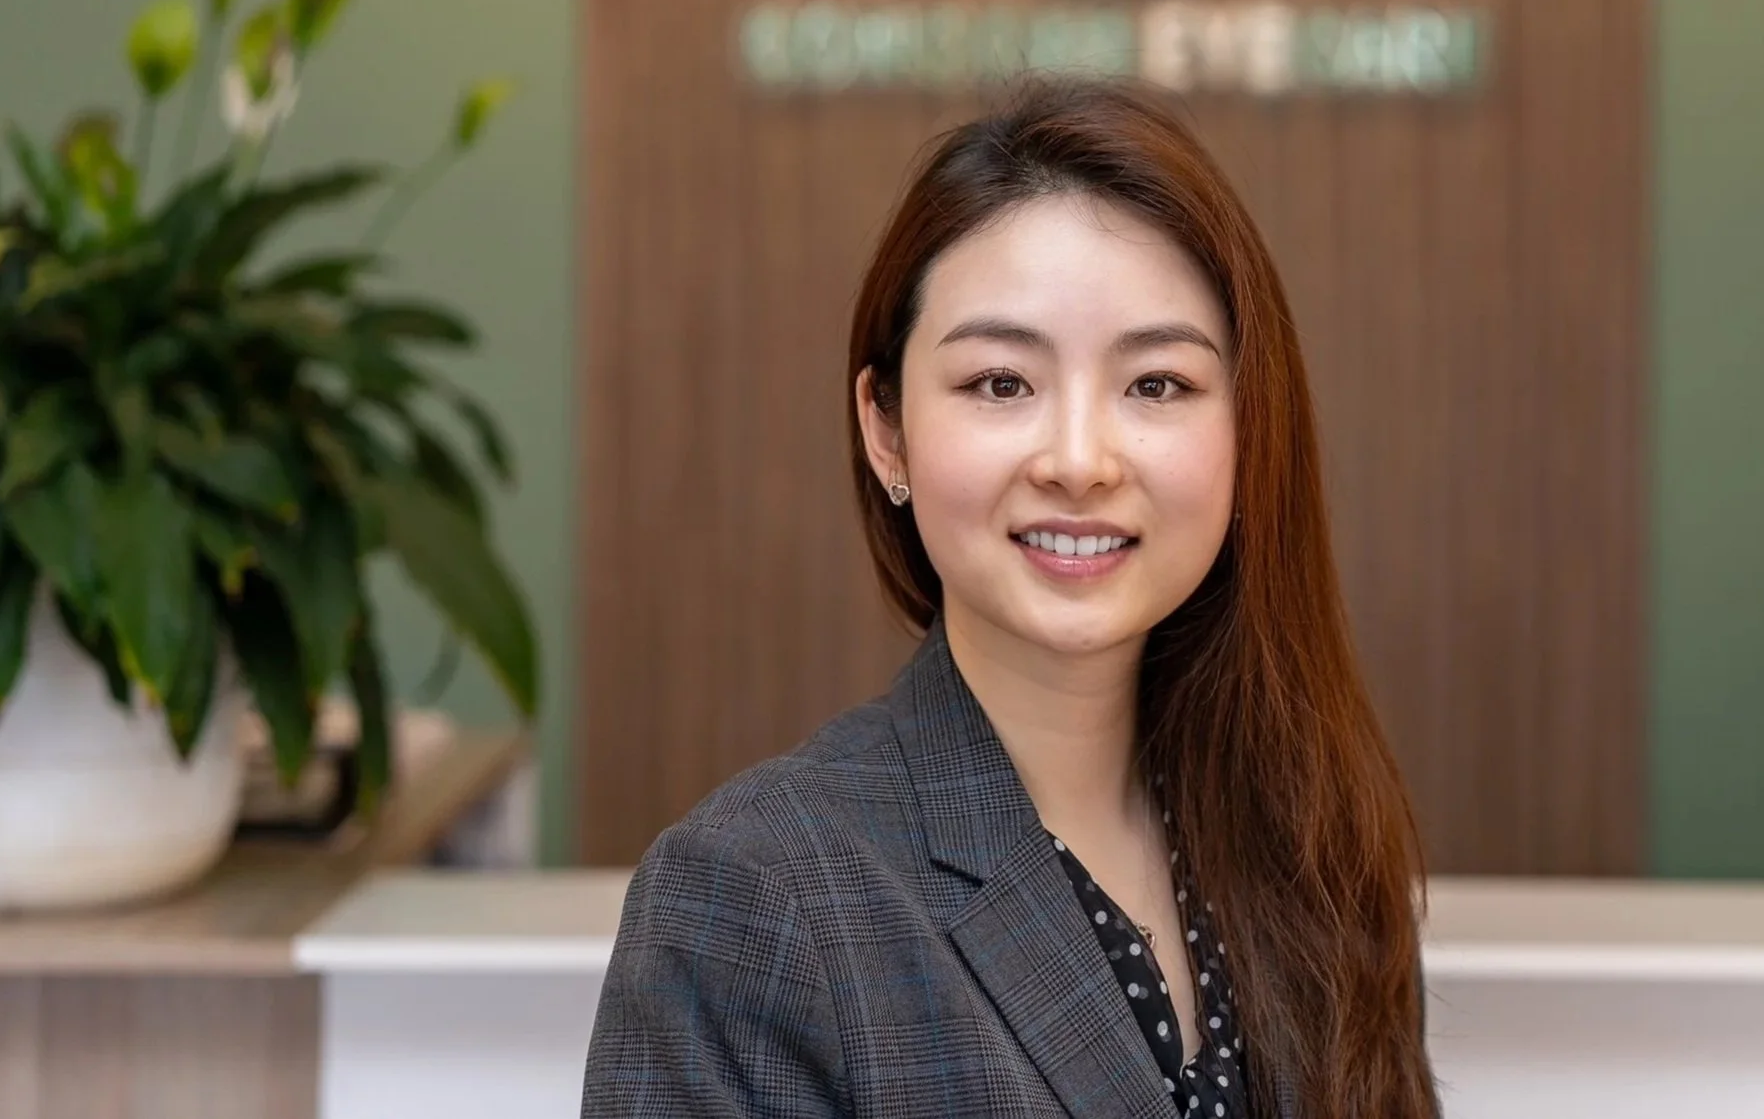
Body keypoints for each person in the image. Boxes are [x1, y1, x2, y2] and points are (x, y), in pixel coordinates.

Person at [582, 79, 1439, 1118]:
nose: (1079, 461)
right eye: (1001, 383)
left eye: (1156, 384)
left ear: (1247, 425)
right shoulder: (756, 898)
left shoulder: (1310, 845)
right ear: (886, 426)